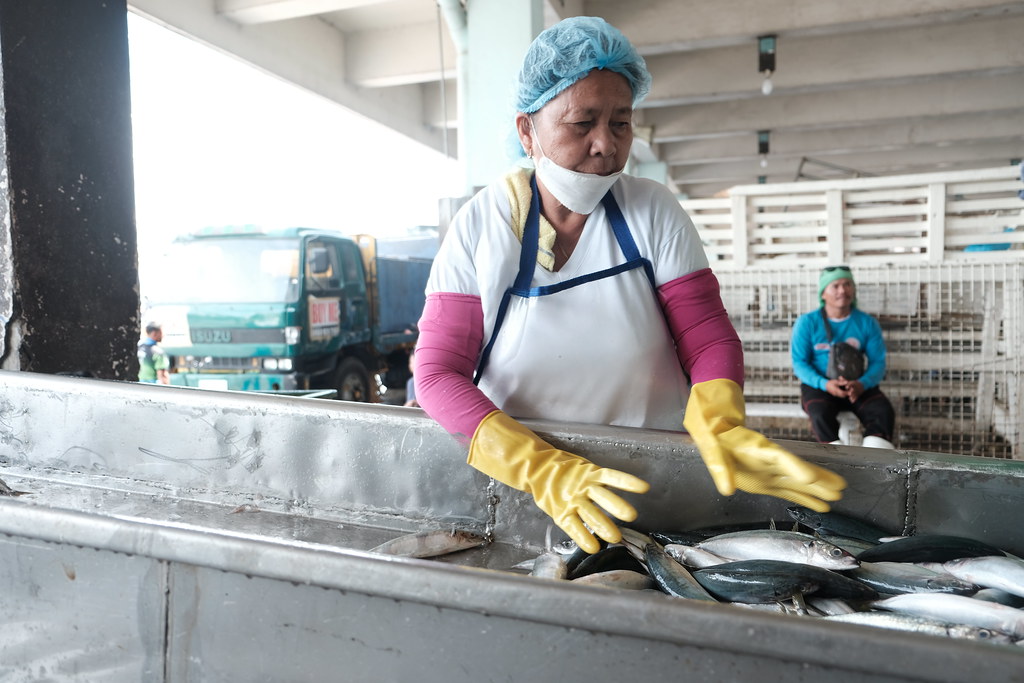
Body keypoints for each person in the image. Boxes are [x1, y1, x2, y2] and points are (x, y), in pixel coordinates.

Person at [414, 16, 846, 554]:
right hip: (529, 491)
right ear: (527, 131)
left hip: (657, 482)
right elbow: (437, 372)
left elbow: (706, 336)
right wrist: (538, 468)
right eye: (582, 123)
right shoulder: (482, 226)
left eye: (621, 123)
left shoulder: (652, 211)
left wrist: (718, 420)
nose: (605, 144)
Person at [791, 266, 896, 448]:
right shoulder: (807, 323)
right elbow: (799, 363)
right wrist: (825, 384)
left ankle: (875, 457)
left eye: (847, 284)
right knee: (819, 413)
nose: (842, 290)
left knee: (882, 411)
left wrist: (862, 384)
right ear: (823, 293)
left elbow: (878, 362)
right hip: (820, 385)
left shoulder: (867, 323)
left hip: (857, 386)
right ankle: (834, 457)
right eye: (836, 286)